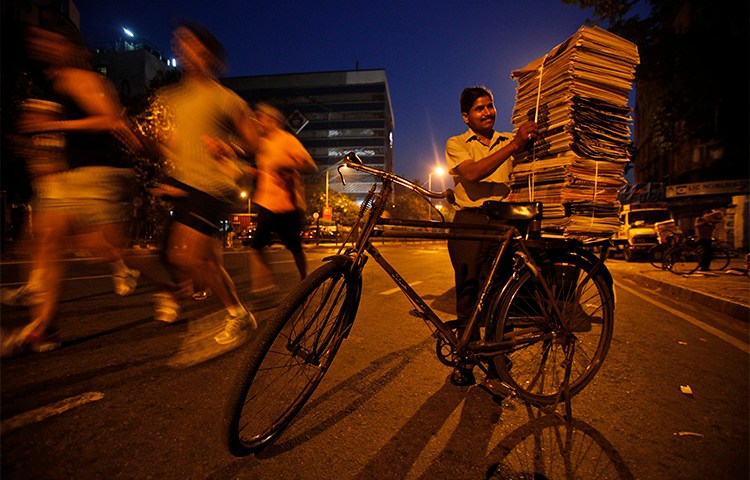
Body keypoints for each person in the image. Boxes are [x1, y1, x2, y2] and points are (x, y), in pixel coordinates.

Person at [1, 24, 144, 356]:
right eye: (38, 41)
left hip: (94, 172)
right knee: (43, 239)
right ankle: (44, 327)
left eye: (50, 40)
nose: (42, 46)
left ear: (69, 45)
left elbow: (109, 119)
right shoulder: (47, 85)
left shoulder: (84, 79)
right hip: (65, 176)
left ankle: (144, 275)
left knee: (93, 244)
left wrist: (54, 125)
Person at [155, 21, 260, 345]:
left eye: (195, 47)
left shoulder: (226, 100)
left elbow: (254, 143)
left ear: (211, 57)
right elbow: (173, 145)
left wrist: (230, 147)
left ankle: (235, 313)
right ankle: (232, 312)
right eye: (181, 45)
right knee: (185, 257)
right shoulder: (170, 97)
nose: (186, 52)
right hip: (185, 185)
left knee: (186, 256)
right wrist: (169, 176)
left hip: (214, 186)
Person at [444, 86, 538, 386]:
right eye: (479, 109)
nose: (487, 112)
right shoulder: (457, 143)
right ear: (466, 117)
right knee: (469, 293)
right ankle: (466, 361)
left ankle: (498, 359)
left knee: (501, 292)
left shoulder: (510, 139)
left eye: (490, 106)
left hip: (502, 223)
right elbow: (471, 174)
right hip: (468, 223)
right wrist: (514, 146)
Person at [247, 102, 317, 294]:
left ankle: (305, 280)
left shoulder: (287, 140)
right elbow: (266, 170)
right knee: (256, 246)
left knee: (295, 248)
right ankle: (265, 285)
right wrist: (256, 172)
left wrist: (288, 166)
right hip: (266, 204)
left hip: (288, 205)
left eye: (262, 119)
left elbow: (311, 166)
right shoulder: (262, 145)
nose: (259, 123)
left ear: (274, 121)